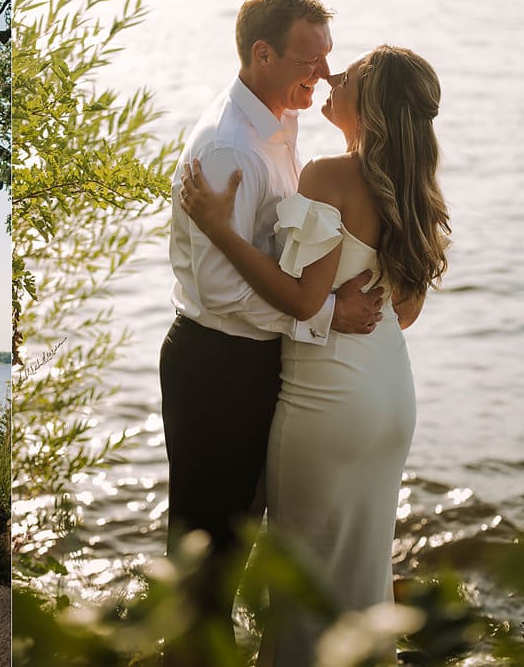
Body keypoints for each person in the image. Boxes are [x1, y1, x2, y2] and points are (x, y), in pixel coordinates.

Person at [181, 45, 450, 665]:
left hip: (328, 405)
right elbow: (403, 313)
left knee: (304, 582)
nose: (332, 75)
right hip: (390, 398)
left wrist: (220, 229)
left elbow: (301, 301)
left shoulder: (330, 176)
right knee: (364, 570)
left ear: (372, 105)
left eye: (349, 76)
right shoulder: (414, 189)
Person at [160, 0, 383, 663]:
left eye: (328, 60)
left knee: (235, 545)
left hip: (251, 362)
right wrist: (326, 312)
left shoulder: (278, 126)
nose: (322, 74)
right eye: (308, 61)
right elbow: (225, 290)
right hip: (217, 365)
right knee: (208, 558)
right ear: (262, 54)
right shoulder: (231, 148)